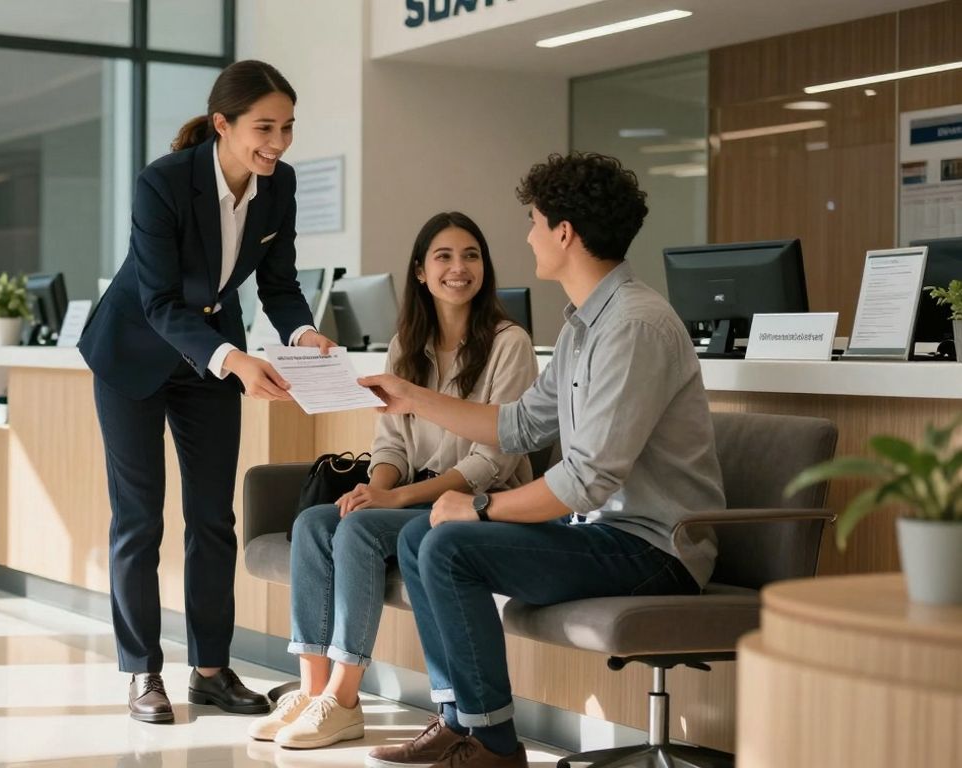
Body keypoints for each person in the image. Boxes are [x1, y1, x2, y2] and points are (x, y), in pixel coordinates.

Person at [358, 152, 726, 768]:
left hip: (655, 551)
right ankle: (460, 721)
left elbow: (586, 479)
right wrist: (413, 396)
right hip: (605, 534)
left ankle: (496, 747)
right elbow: (519, 423)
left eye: (534, 220)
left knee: (450, 543)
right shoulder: (587, 325)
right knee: (428, 535)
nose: (526, 235)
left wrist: (479, 506)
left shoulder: (633, 327)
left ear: (564, 233)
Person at [77, 60, 336, 724]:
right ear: (222, 124)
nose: (277, 142)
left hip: (207, 362)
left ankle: (211, 672)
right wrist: (234, 359)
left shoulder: (279, 187)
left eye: (286, 128)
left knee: (213, 520)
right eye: (263, 127)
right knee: (139, 519)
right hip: (133, 355)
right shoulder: (163, 183)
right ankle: (141, 674)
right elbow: (160, 301)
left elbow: (277, 284)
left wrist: (304, 334)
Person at [247, 212, 538, 750]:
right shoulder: (407, 342)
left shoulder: (509, 343)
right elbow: (391, 445)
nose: (459, 268)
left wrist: (394, 497)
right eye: (444, 257)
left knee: (358, 531)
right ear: (421, 273)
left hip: (476, 500)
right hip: (413, 496)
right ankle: (314, 691)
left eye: (470, 255)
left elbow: (490, 462)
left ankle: (345, 698)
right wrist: (373, 488)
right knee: (318, 520)